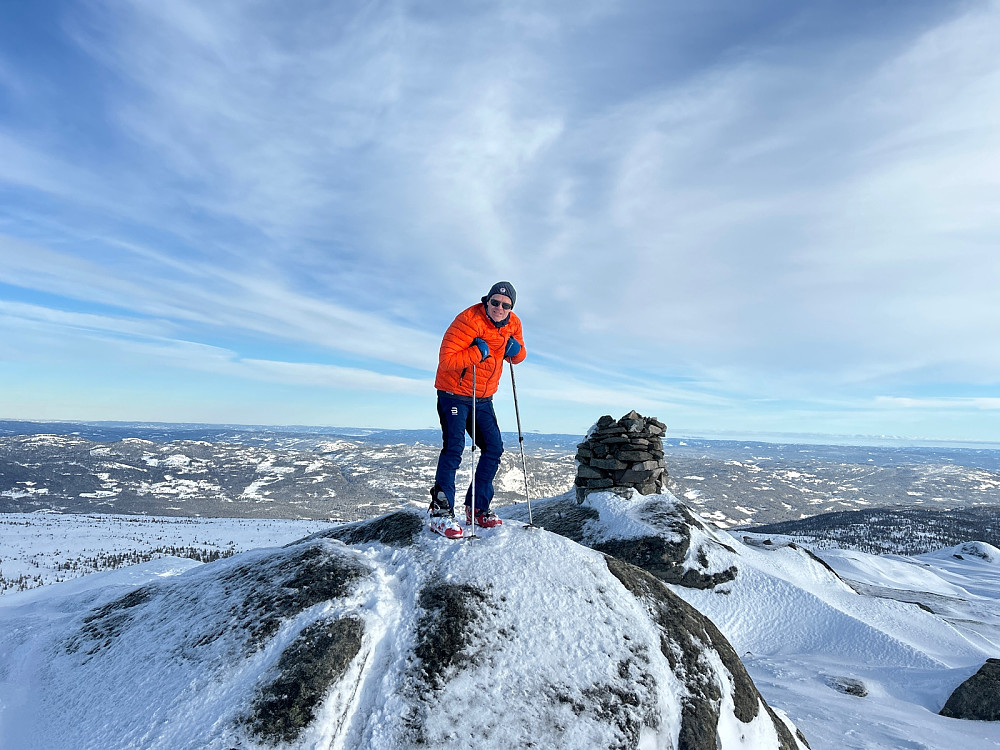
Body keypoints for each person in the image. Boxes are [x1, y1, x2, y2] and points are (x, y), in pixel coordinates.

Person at [428, 281, 527, 538]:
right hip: (454, 394)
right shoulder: (468, 320)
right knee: (454, 448)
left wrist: (515, 353)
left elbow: (519, 353)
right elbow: (446, 360)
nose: (499, 308)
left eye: (506, 305)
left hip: (483, 397)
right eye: (495, 302)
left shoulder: (513, 323)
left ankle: (477, 508)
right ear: (487, 301)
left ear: (511, 307)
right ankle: (440, 513)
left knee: (493, 447)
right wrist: (476, 352)